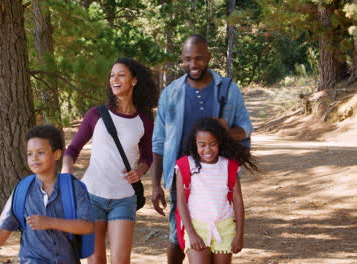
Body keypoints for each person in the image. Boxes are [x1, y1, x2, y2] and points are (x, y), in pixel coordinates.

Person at [151, 34, 253, 263]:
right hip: (183, 175)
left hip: (217, 175)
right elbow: (159, 140)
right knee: (177, 235)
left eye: (199, 58)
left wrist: (227, 132)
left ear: (208, 56)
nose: (193, 64)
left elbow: (246, 127)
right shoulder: (171, 93)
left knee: (221, 226)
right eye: (187, 59)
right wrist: (156, 184)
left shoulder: (227, 89)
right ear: (181, 59)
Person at [62, 58, 158, 264]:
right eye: (112, 75)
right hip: (91, 196)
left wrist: (139, 171)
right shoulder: (95, 114)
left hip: (124, 197)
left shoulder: (144, 120)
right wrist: (66, 171)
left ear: (133, 81)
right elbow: (73, 149)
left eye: (121, 75)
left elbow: (147, 156)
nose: (115, 79)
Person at [0, 125, 95, 264]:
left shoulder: (73, 188)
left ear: (56, 154)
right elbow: (4, 228)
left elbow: (88, 226)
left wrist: (50, 222)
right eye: (30, 154)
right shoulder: (23, 189)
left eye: (40, 152)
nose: (34, 158)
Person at [176, 118, 257, 263]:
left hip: (224, 228)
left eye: (212, 144)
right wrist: (191, 233)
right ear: (195, 144)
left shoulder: (229, 166)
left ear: (219, 142)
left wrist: (239, 235)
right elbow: (181, 202)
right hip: (196, 226)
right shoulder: (185, 165)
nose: (207, 150)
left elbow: (238, 201)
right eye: (202, 145)